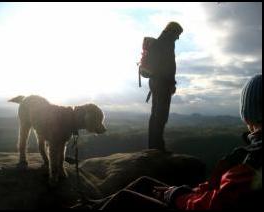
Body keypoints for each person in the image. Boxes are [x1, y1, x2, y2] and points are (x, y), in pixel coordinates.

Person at [90, 74, 262, 210]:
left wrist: (177, 197)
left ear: (248, 114)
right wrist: (186, 192)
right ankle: (93, 205)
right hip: (195, 201)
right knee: (144, 183)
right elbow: (219, 191)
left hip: (193, 206)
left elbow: (217, 204)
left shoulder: (253, 160)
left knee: (125, 199)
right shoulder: (251, 154)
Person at [148, 21, 183, 151]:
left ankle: (153, 145)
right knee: (161, 115)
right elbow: (169, 66)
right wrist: (171, 83)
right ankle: (158, 146)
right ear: (172, 31)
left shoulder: (158, 42)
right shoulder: (168, 42)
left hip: (154, 82)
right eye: (178, 34)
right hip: (163, 83)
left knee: (155, 114)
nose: (178, 37)